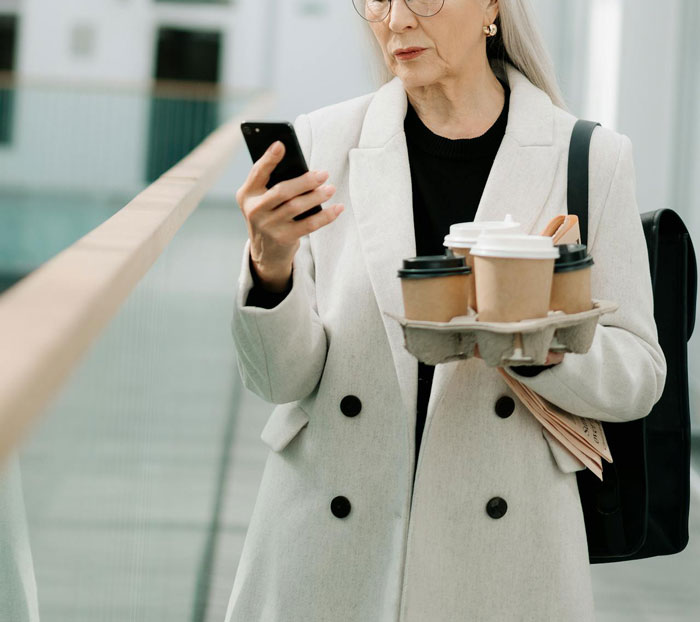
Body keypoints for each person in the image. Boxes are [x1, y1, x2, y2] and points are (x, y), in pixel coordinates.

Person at [227, 1, 666, 620]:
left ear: (492, 6)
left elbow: (640, 376)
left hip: (502, 561)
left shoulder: (589, 159)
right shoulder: (326, 143)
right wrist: (269, 262)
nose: (396, 20)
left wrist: (533, 344)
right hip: (327, 551)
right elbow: (280, 381)